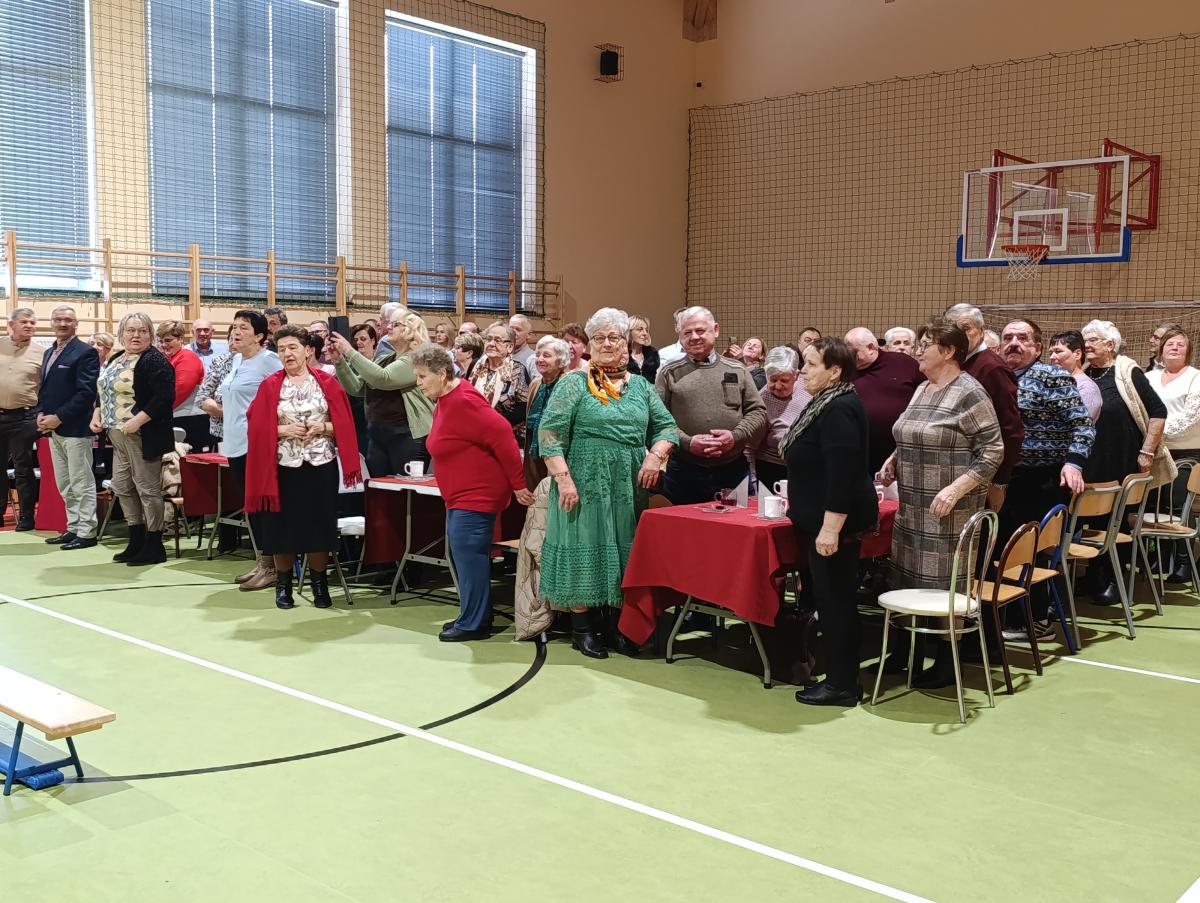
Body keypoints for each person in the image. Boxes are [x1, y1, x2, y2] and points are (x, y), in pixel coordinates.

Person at [538, 308, 678, 658]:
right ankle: (583, 629)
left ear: (626, 343)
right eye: (598, 338)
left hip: (628, 483)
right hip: (582, 480)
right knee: (583, 542)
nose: (606, 343)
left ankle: (618, 626)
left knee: (622, 547)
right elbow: (549, 434)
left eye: (613, 337)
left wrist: (655, 456)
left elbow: (667, 428)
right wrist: (564, 481)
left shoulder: (641, 387)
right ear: (589, 345)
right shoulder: (574, 383)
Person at [878, 322, 1004, 687]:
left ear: (948, 352)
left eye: (925, 345)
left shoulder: (969, 392)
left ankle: (949, 662)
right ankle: (906, 653)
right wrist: (894, 459)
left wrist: (956, 489)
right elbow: (912, 432)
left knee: (947, 586)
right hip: (912, 507)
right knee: (906, 579)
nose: (918, 351)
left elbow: (993, 450)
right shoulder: (922, 388)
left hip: (950, 512)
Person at [412, 343, 534, 640]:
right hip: (461, 494)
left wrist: (518, 484)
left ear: (442, 373)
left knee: (469, 556)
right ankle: (473, 615)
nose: (418, 383)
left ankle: (474, 624)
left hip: (477, 494)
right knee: (464, 556)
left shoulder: (463, 399)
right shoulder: (446, 398)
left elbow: (503, 434)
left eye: (422, 376)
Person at [782, 338, 878, 706]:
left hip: (834, 524)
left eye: (810, 364)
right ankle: (841, 678)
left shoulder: (838, 409)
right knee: (832, 598)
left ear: (834, 371)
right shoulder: (827, 402)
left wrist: (830, 528)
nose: (802, 371)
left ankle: (842, 684)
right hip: (820, 519)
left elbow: (843, 475)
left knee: (836, 602)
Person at [243, 326, 362, 610]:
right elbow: (256, 426)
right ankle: (283, 586)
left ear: (307, 350)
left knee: (319, 527)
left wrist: (323, 427)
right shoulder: (270, 385)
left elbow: (346, 423)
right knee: (282, 528)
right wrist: (282, 430)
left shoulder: (328, 383)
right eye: (281, 349)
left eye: (293, 347)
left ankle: (319, 584)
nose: (287, 353)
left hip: (321, 464)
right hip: (283, 467)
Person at [996, 319, 1095, 642]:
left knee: (1028, 551)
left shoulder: (1051, 376)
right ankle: (1003, 617)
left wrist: (1074, 463)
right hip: (1004, 479)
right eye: (1008, 337)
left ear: (1037, 348)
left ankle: (1035, 622)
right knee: (1001, 549)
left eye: (1022, 338)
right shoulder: (997, 376)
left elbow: (1082, 424)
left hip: (1041, 479)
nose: (1014, 343)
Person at [1082, 319, 1173, 604]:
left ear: (1110, 345)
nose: (1086, 345)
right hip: (1090, 461)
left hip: (1121, 459)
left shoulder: (1127, 371)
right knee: (1088, 518)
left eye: (1092, 340)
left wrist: (1147, 452)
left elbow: (1158, 411)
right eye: (1085, 340)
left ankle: (1112, 578)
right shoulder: (1084, 372)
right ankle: (1092, 575)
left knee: (1114, 520)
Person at [656, 306, 766, 505]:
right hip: (683, 472)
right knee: (682, 524)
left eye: (700, 330)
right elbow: (658, 419)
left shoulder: (738, 369)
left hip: (733, 470)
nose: (694, 337)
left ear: (715, 330)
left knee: (737, 523)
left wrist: (735, 436)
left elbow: (757, 411)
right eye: (687, 332)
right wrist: (687, 442)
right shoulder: (669, 373)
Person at [90, 312, 176, 566]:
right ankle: (136, 540)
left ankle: (154, 544)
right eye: (130, 330)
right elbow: (103, 390)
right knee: (123, 487)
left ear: (150, 335)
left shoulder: (155, 361)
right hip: (116, 434)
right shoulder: (116, 358)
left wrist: (138, 420)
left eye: (142, 331)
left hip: (142, 435)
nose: (136, 335)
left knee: (148, 490)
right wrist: (97, 413)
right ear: (121, 334)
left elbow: (164, 398)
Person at [207, 310, 283, 589]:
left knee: (264, 508)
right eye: (234, 326)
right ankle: (262, 562)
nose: (236, 332)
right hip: (234, 444)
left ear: (260, 336)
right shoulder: (237, 360)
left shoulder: (269, 360)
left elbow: (283, 396)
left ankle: (274, 567)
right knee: (251, 508)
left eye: (244, 328)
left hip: (257, 445)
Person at [327, 308, 434, 477]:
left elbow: (384, 378)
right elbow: (357, 388)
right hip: (378, 435)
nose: (388, 327)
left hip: (407, 436)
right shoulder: (385, 358)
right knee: (377, 488)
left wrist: (349, 351)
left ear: (410, 330)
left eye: (395, 324)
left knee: (405, 489)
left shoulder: (416, 358)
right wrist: (339, 361)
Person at [945, 304, 1023, 510]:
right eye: (954, 329)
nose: (960, 335)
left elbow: (1011, 429)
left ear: (981, 330)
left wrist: (998, 481)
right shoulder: (958, 363)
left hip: (985, 476)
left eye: (966, 328)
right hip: (962, 471)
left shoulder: (992, 367)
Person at [36, 306, 100, 549]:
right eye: (58, 319)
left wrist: (59, 417)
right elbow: (46, 389)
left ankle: (87, 532)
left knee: (81, 482)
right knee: (65, 483)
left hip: (76, 429)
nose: (62, 324)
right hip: (54, 430)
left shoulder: (85, 352)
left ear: (76, 324)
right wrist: (41, 412)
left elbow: (86, 393)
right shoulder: (49, 352)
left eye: (68, 320)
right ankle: (73, 528)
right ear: (51, 322)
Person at [1146, 327, 1200, 583]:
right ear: (1161, 349)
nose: (1175, 347)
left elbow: (1190, 418)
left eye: (1180, 344)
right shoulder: (1149, 377)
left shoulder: (1196, 377)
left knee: (1179, 506)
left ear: (1188, 351)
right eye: (1170, 344)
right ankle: (1160, 558)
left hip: (1184, 452)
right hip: (1152, 452)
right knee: (1155, 507)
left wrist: (1155, 434)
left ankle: (1184, 562)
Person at [844, 326, 925, 475]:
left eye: (852, 351)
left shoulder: (904, 363)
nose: (848, 356)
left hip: (901, 454)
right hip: (859, 455)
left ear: (871, 348)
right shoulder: (846, 372)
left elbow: (927, 395)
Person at [0, 307, 43, 530]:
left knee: (23, 468)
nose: (29, 326)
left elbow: (46, 387)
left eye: (32, 322)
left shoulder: (41, 353)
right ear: (12, 325)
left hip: (25, 417)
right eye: (24, 322)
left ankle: (27, 516)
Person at [746, 345, 809, 492]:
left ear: (796, 375)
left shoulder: (809, 388)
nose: (778, 386)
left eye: (784, 380)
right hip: (773, 470)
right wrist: (753, 482)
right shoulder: (761, 401)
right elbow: (749, 447)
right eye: (772, 380)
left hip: (808, 469)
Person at [523, 335, 571, 490]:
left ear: (561, 361)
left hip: (559, 456)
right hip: (534, 453)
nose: (540, 359)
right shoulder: (535, 384)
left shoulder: (569, 385)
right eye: (538, 355)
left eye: (546, 355)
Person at [472, 322, 530, 444]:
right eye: (489, 339)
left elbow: (523, 408)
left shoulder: (517, 370)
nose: (491, 344)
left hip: (504, 435)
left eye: (497, 340)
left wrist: (493, 424)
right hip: (473, 433)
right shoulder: (476, 366)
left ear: (510, 347)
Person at [157, 320, 209, 453]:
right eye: (161, 341)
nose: (163, 345)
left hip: (190, 420)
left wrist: (153, 411)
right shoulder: (170, 358)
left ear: (180, 338)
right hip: (177, 417)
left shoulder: (187, 357)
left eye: (168, 340)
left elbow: (180, 389)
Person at [1048, 330, 1102, 422]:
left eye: (1058, 351)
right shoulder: (1054, 382)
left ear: (1077, 354)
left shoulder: (1087, 388)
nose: (1052, 357)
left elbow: (1078, 423)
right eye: (1051, 353)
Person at [627, 315, 660, 386]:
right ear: (629, 332)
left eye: (646, 330)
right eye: (640, 329)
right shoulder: (622, 355)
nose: (645, 333)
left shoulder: (653, 354)